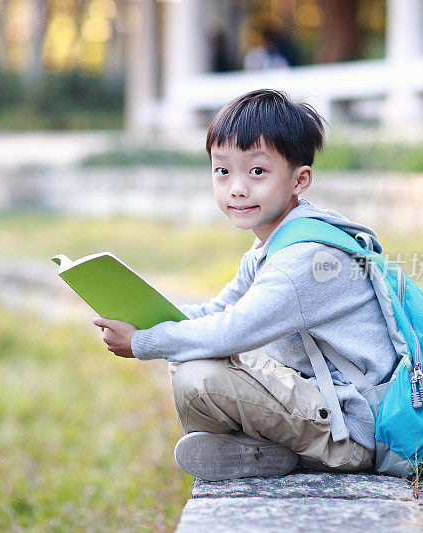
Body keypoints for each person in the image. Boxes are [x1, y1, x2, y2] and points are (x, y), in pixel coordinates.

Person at [92, 89, 397, 481]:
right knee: (190, 353)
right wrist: (138, 315)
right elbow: (216, 311)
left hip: (353, 434)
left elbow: (233, 329)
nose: (237, 187)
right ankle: (261, 453)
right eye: (223, 171)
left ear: (299, 180)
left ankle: (264, 454)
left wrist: (141, 343)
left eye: (256, 171)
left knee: (196, 377)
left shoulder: (304, 258)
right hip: (319, 402)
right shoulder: (272, 244)